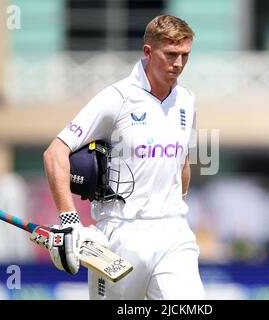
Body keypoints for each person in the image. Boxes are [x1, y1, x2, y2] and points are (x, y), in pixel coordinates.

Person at [36, 14, 204, 300]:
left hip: (174, 232)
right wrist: (69, 220)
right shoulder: (117, 98)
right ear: (148, 52)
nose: (178, 64)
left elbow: (182, 162)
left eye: (185, 55)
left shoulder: (187, 99)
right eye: (171, 54)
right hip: (121, 234)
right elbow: (55, 154)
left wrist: (174, 203)